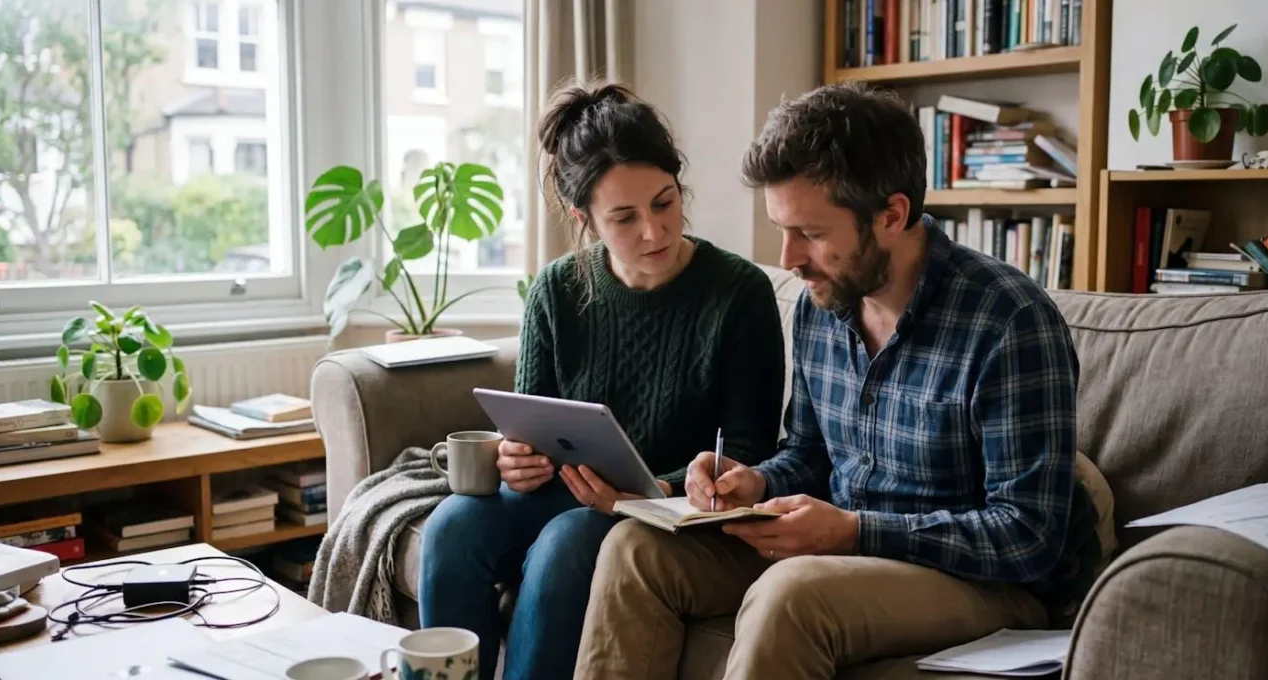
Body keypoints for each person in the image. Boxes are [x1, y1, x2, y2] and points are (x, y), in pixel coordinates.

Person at [572, 82, 1103, 680]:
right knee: (636, 550)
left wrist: (854, 531)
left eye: (812, 233)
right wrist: (754, 481)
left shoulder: (1009, 321)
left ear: (891, 216)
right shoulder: (820, 305)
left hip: (982, 581)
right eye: (782, 229)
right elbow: (809, 452)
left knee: (791, 595)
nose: (789, 258)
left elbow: (1028, 535)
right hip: (842, 550)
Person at [417, 81, 787, 680]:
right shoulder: (556, 290)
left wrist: (650, 492)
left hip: (667, 511)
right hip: (568, 490)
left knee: (567, 542)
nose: (654, 231)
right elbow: (530, 425)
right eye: (624, 217)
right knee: (452, 526)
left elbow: (751, 451)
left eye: (664, 203)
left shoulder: (739, 294)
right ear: (583, 218)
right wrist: (515, 460)